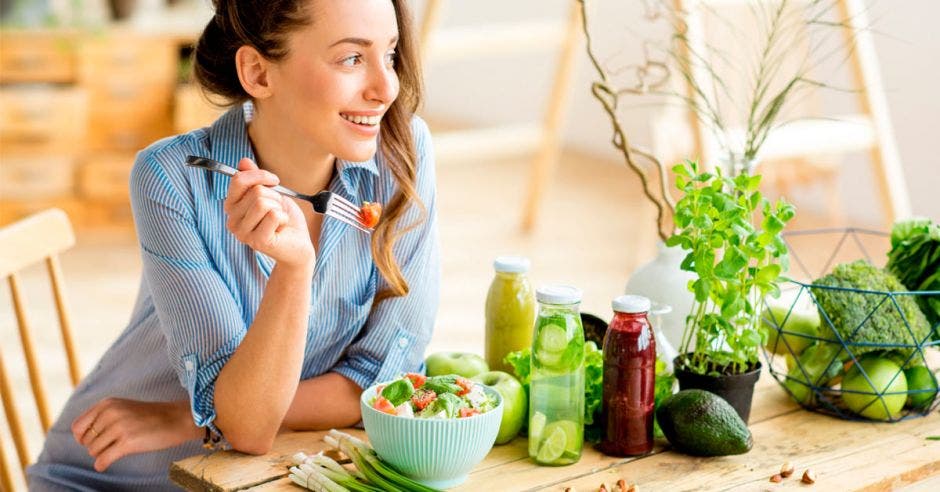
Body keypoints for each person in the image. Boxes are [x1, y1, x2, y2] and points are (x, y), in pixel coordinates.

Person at [27, 0, 439, 489]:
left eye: (389, 54)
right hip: (115, 478)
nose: (385, 88)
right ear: (258, 73)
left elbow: (381, 382)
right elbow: (247, 426)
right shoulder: (173, 179)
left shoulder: (402, 156)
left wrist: (191, 416)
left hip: (256, 477)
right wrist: (294, 270)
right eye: (351, 58)